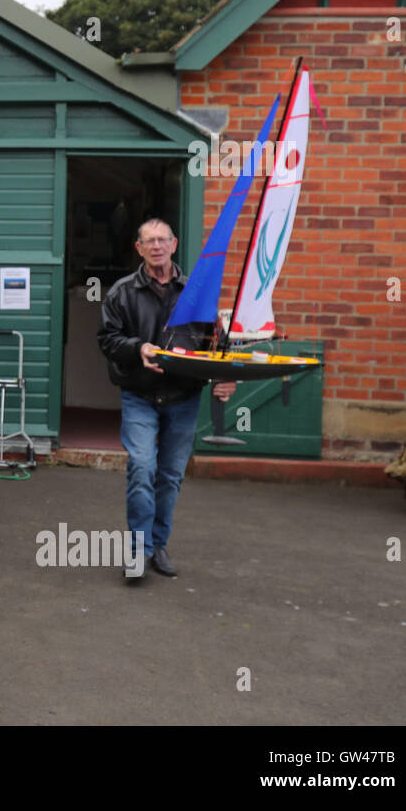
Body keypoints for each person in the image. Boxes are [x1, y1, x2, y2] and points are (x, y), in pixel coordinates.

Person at [97, 218, 235, 578]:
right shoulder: (122, 293)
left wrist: (224, 376)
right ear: (138, 248)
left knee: (171, 475)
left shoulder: (196, 291)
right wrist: (137, 346)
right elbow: (107, 340)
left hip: (183, 395)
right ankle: (138, 551)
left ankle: (158, 545)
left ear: (174, 245)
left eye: (162, 240)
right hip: (139, 394)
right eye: (149, 241)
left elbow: (215, 344)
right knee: (142, 467)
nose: (156, 246)